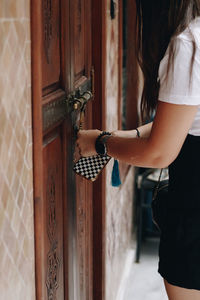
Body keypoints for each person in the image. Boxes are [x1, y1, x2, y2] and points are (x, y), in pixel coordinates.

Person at [75, 1, 200, 299]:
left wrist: (99, 142)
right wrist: (127, 136)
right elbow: (183, 123)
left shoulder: (188, 45)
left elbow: (159, 153)